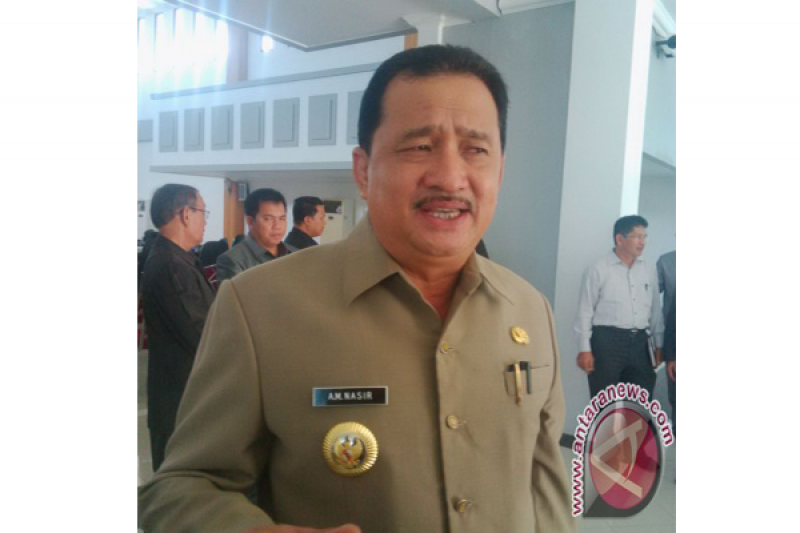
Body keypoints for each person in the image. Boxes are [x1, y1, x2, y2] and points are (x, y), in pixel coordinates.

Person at [139, 45, 575, 533]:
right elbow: (181, 487)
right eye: (419, 147)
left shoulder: (530, 309)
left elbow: (546, 488)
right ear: (364, 171)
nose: (451, 177)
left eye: (476, 150)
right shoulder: (258, 308)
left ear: (500, 170)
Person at [140, 184, 215, 472]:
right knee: (182, 486)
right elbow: (202, 335)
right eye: (203, 212)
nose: (205, 220)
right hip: (180, 403)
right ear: (186, 214)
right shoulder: (172, 267)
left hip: (184, 399)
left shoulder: (177, 259)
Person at [574, 216, 664, 399]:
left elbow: (655, 309)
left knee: (640, 400)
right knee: (604, 401)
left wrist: (659, 344)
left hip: (641, 343)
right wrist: (584, 349)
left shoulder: (648, 269)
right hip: (607, 342)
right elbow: (585, 311)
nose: (642, 242)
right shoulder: (598, 269)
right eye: (637, 237)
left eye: (644, 237)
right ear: (620, 239)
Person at [215, 188, 296, 284]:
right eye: (268, 219)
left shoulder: (296, 253)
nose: (277, 226)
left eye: (282, 218)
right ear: (250, 221)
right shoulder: (233, 260)